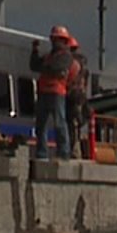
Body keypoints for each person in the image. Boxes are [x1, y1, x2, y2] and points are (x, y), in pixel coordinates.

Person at [28, 26, 76, 160]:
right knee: (40, 125)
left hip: (57, 92)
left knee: (59, 123)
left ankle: (63, 152)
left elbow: (56, 68)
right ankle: (42, 153)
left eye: (58, 39)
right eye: (54, 39)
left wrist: (46, 68)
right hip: (44, 92)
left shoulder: (65, 56)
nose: (55, 42)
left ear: (64, 41)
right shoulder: (49, 56)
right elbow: (34, 66)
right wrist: (35, 51)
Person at [68, 48, 93, 159]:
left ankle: (74, 150)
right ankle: (74, 150)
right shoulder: (82, 71)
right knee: (75, 124)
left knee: (74, 124)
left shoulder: (76, 69)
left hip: (75, 98)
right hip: (77, 97)